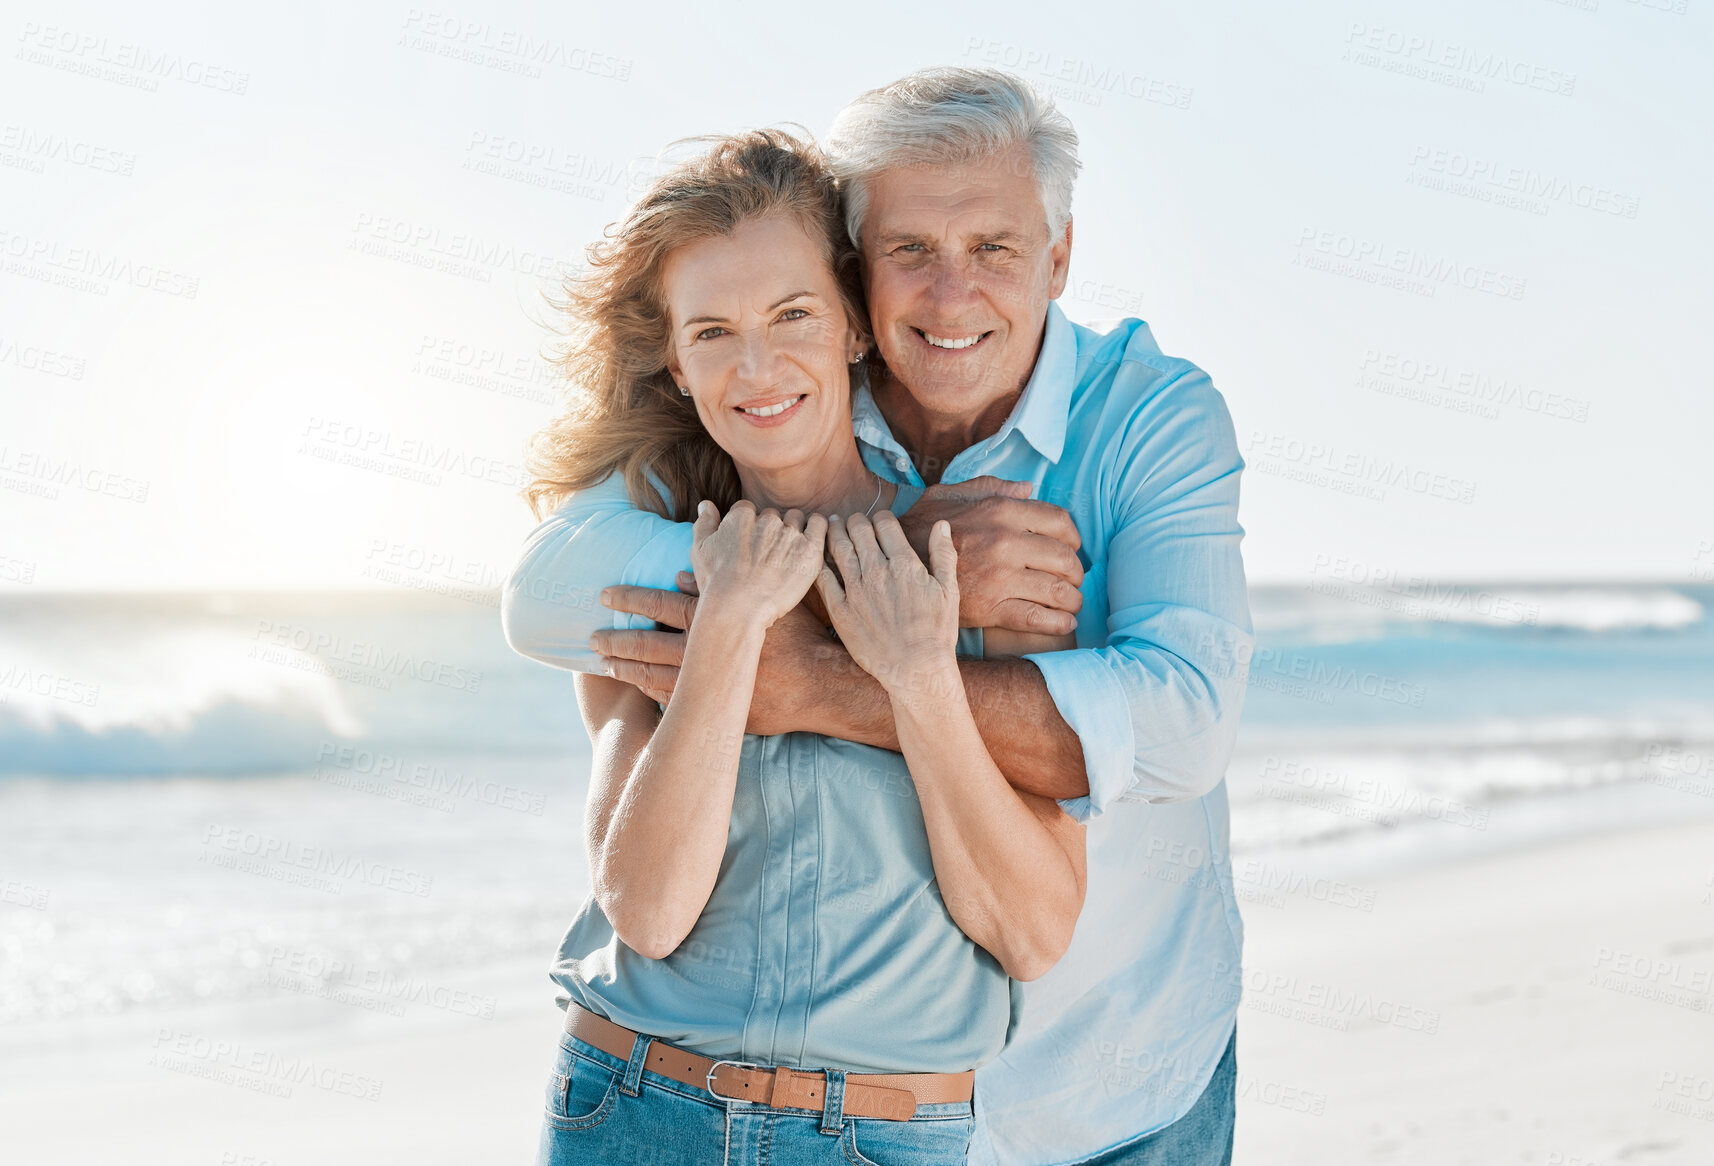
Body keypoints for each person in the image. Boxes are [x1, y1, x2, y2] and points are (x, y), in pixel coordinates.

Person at [506, 68, 1255, 1166]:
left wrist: (819, 678)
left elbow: (1184, 728)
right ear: (861, 283)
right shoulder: (749, 449)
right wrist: (885, 567)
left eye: (994, 248)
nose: (951, 297)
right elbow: (551, 595)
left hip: (1110, 1080)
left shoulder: (1146, 421)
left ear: (1057, 255)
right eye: (910, 251)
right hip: (657, 1099)